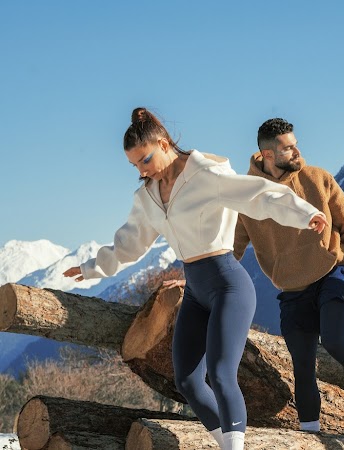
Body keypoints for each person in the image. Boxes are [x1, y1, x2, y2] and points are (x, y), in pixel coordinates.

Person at [63, 108, 328, 450]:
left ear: (163, 143)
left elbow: (258, 194)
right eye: (135, 166)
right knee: (187, 381)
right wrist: (90, 268)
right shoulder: (147, 197)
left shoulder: (206, 174)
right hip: (196, 291)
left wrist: (305, 213)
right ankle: (227, 444)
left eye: (145, 160)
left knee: (220, 374)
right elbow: (128, 244)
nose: (142, 171)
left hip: (228, 286)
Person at [232, 118, 344, 438]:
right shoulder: (249, 197)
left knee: (335, 341)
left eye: (295, 142)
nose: (296, 149)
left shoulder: (317, 179)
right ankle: (309, 436)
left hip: (331, 273)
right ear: (268, 155)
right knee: (302, 366)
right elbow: (233, 245)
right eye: (287, 146)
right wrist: (207, 277)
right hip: (292, 289)